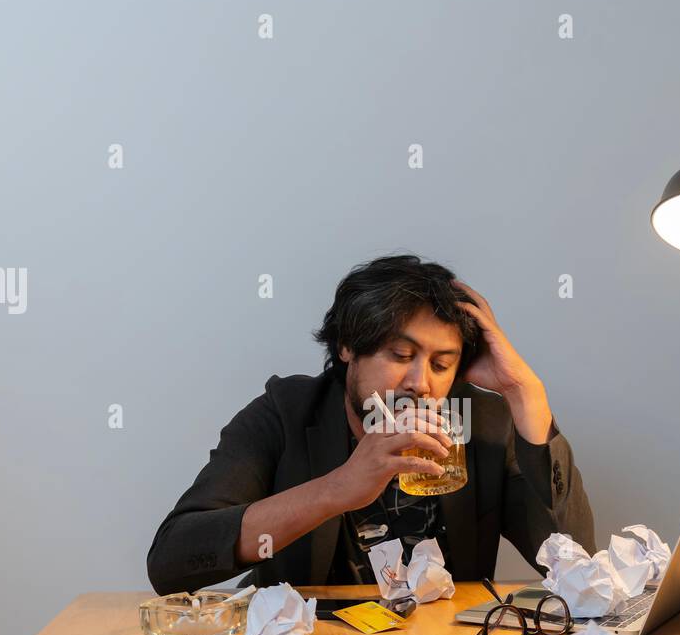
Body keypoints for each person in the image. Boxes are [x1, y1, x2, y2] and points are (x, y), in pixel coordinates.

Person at [146, 254, 596, 594]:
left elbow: (577, 567)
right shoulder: (286, 410)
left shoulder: (483, 422)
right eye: (400, 356)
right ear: (348, 346)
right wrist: (338, 488)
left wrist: (525, 393)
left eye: (442, 364)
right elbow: (172, 560)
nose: (420, 383)